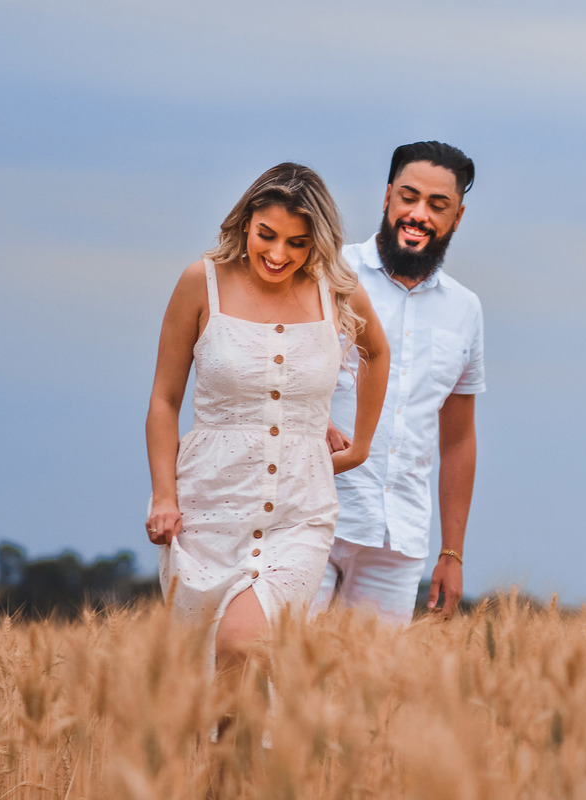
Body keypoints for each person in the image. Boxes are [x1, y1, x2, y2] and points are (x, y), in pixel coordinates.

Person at [145, 163, 389, 682]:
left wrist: (360, 445)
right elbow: (165, 399)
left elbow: (377, 351)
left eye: (298, 244)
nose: (279, 255)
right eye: (267, 236)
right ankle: (229, 764)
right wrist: (164, 495)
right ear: (245, 222)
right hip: (209, 504)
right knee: (206, 670)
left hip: (301, 507)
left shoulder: (335, 291)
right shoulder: (200, 283)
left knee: (243, 643)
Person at [314, 141, 484, 624]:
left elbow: (457, 439)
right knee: (278, 673)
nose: (419, 214)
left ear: (458, 216)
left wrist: (452, 552)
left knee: (369, 692)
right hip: (310, 514)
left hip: (398, 539)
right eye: (409, 197)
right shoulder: (327, 271)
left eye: (437, 205)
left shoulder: (465, 310)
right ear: (387, 196)